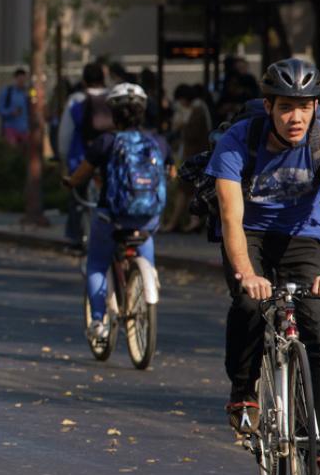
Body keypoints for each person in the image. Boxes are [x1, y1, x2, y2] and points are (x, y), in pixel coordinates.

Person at [209, 58, 320, 475]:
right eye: (285, 107)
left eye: (305, 107)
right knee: (248, 303)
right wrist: (245, 273)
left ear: (315, 107)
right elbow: (231, 218)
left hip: (303, 239)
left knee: (319, 331)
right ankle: (243, 393)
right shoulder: (239, 141)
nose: (295, 117)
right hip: (250, 235)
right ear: (269, 106)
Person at [64, 83, 168, 348]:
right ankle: (148, 281)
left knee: (97, 264)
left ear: (114, 113)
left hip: (111, 218)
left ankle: (98, 321)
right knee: (146, 242)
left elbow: (81, 174)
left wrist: (70, 182)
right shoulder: (158, 142)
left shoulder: (106, 142)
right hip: (148, 220)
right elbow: (172, 171)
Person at [58, 63, 111, 250]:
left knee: (78, 199)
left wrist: (62, 157)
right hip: (109, 159)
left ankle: (75, 238)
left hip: (81, 158)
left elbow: (65, 133)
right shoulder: (114, 98)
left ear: (84, 80)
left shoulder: (76, 101)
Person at [163, 84, 212, 233]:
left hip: (194, 156)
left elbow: (192, 134)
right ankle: (191, 221)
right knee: (191, 191)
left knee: (185, 190)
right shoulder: (200, 109)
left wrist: (182, 125)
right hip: (195, 155)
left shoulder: (197, 110)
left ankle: (176, 222)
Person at [0, 67, 30, 148]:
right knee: (12, 150)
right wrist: (10, 112)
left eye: (23, 79)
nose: (22, 82)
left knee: (24, 151)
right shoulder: (8, 92)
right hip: (10, 127)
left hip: (24, 128)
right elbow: (0, 109)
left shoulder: (27, 92)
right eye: (19, 79)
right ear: (15, 78)